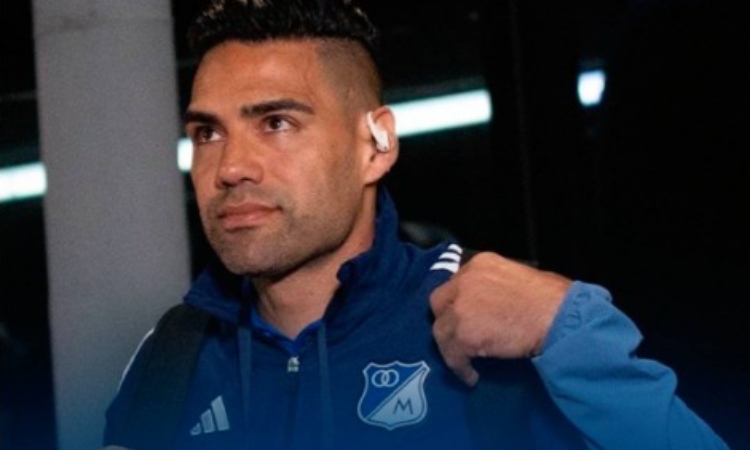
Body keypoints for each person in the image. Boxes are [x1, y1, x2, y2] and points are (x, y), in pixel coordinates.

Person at [102, 0, 728, 449]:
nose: (230, 167)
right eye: (207, 133)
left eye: (277, 123)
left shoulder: (498, 326)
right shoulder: (173, 357)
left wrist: (568, 331)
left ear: (375, 145)